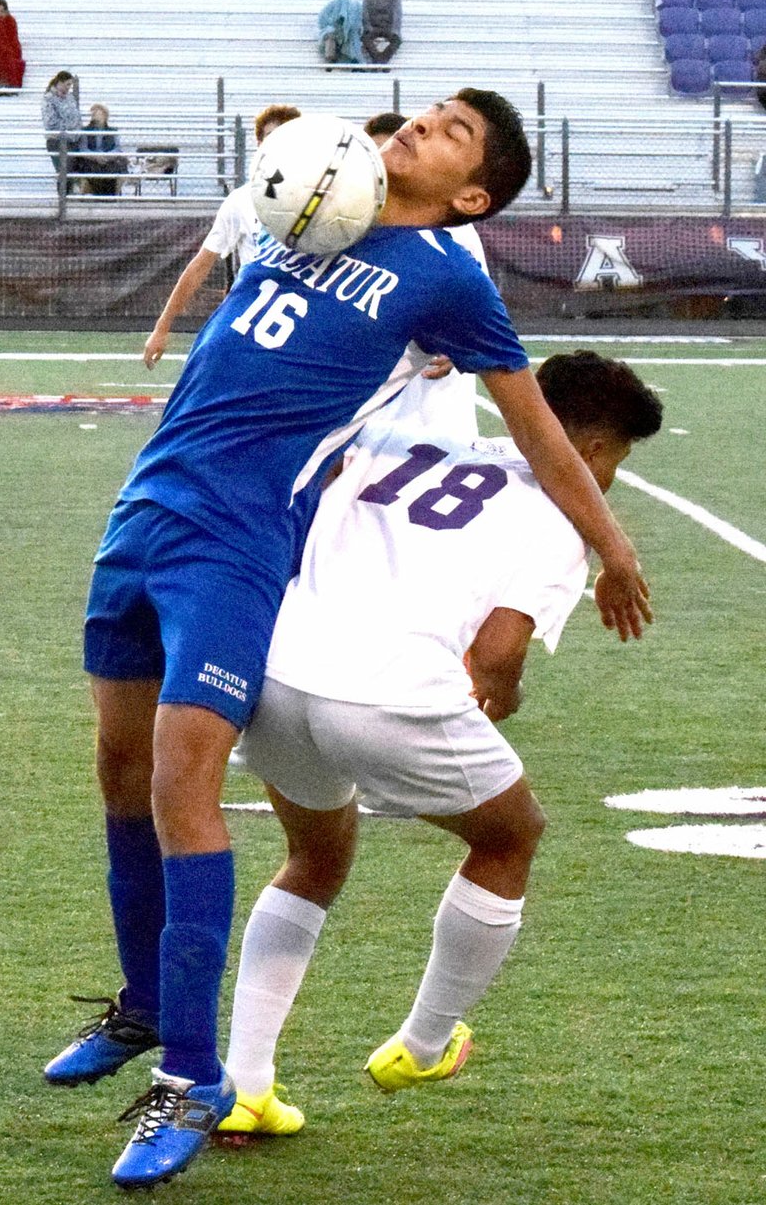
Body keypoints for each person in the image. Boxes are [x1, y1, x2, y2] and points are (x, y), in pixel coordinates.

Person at [42, 90, 651, 1191]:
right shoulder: (323, 202)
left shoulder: (447, 279)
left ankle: (193, 1076)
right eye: (420, 114)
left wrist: (610, 548)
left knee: (184, 791)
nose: (418, 126)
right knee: (120, 780)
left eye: (449, 133)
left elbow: (537, 430)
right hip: (145, 510)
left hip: (234, 539)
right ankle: (143, 1007)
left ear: (470, 194)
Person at [217, 351, 664, 1137]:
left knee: (312, 857)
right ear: (592, 452)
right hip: (392, 695)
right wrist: (507, 695)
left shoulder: (409, 443)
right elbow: (495, 656)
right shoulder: (566, 509)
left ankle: (246, 1083)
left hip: (279, 678)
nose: (612, 478)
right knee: (511, 835)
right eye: (618, 461)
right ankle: (423, 1044)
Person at [142, 103, 301, 369]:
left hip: (306, 320)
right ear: (259, 144)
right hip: (255, 322)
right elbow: (200, 265)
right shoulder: (241, 201)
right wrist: (162, 327)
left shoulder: (324, 203)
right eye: (271, 138)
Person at [365, 110, 486, 440]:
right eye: (377, 157)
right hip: (369, 419)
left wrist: (459, 343)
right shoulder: (352, 226)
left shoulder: (455, 235)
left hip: (434, 420)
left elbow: (479, 320)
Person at [41, 71, 82, 187]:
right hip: (57, 140)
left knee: (72, 169)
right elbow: (50, 122)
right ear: (60, 82)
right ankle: (63, 198)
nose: (69, 88)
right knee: (64, 169)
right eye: (68, 84)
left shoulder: (70, 98)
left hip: (73, 140)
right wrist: (70, 126)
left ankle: (68, 197)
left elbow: (77, 116)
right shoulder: (48, 99)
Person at [79, 103, 127, 197]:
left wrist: (107, 156)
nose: (95, 116)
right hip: (92, 160)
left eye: (98, 113)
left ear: (105, 115)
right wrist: (95, 156)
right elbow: (83, 149)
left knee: (119, 165)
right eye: (93, 113)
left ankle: (113, 194)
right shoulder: (85, 130)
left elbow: (117, 148)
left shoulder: (112, 131)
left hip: (108, 159)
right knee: (87, 166)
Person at [318, 0, 363, 64]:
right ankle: (330, 59)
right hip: (334, 30)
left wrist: (348, 27)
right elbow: (322, 19)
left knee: (353, 37)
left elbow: (358, 23)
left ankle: (354, 60)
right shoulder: (333, 4)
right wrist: (333, 24)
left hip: (349, 31)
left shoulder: (356, 6)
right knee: (330, 35)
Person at [361, 0, 402, 65]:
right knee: (365, 38)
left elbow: (397, 13)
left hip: (388, 28)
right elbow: (365, 12)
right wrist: (368, 28)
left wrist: (395, 31)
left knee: (397, 40)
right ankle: (381, 61)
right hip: (373, 27)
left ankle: (380, 61)